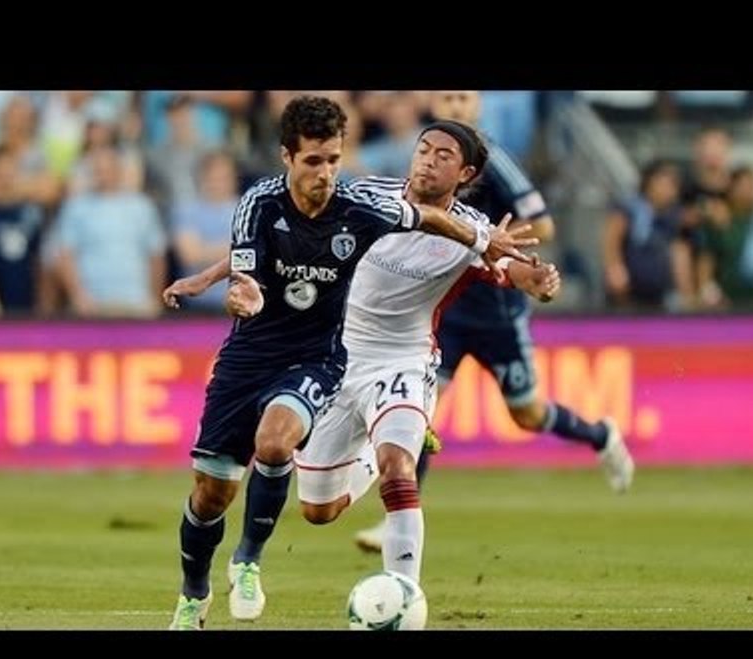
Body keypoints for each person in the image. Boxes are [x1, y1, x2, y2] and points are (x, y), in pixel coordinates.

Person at [161, 96, 536, 630]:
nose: (327, 173)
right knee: (243, 498)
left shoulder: (358, 203)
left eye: (334, 160)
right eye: (315, 161)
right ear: (288, 157)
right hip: (255, 355)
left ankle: (256, 562)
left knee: (285, 444)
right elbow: (249, 260)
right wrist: (222, 283)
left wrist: (501, 251)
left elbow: (441, 227)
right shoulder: (263, 202)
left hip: (337, 357)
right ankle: (194, 594)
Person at [354, 91, 634, 554]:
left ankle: (599, 435)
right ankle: (399, 514)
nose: (454, 107)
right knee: (419, 411)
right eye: (447, 98)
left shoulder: (493, 162)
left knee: (527, 414)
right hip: (447, 311)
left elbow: (542, 224)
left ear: (477, 107)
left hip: (497, 313)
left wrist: (492, 245)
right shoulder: (426, 164)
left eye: (463, 98)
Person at [293, 120, 561, 587]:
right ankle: (372, 452)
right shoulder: (369, 194)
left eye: (443, 156)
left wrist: (537, 280)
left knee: (401, 466)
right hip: (337, 357)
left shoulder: (473, 232)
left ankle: (404, 594)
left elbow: (511, 267)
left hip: (405, 361)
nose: (428, 161)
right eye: (424, 150)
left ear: (465, 173)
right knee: (319, 510)